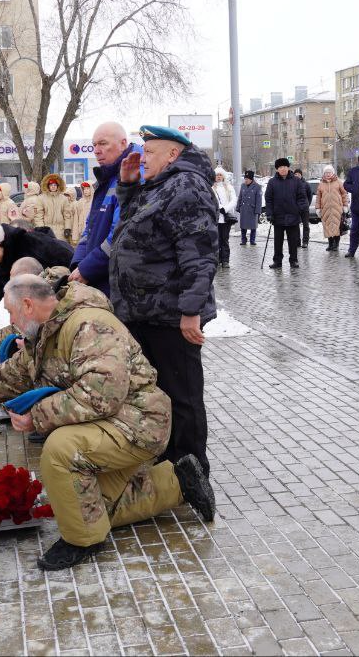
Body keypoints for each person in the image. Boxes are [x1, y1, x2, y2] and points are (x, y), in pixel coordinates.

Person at [0, 275, 216, 570]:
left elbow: (101, 393)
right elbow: (9, 377)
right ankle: (179, 482)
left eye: (11, 313)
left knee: (61, 449)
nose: (12, 321)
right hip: (116, 421)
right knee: (90, 508)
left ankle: (82, 541)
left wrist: (36, 417)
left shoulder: (90, 326)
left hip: (140, 422)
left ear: (27, 304)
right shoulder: (49, 330)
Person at [110, 125, 218, 475]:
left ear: (173, 154)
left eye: (150, 152)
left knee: (181, 395)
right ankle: (169, 462)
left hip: (170, 315)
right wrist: (127, 186)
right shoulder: (160, 184)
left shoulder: (187, 186)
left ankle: (191, 471)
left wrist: (190, 312)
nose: (143, 159)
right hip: (146, 312)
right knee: (161, 393)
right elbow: (135, 230)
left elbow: (200, 255)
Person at [69, 122, 138, 295]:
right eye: (94, 145)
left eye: (103, 143)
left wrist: (88, 269)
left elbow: (119, 234)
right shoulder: (106, 178)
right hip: (99, 277)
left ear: (123, 143)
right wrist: (79, 263)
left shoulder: (134, 176)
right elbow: (90, 228)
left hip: (118, 283)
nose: (96, 150)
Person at [265, 157, 307, 269]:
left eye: (284, 167)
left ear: (288, 168)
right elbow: (268, 199)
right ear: (277, 169)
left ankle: (294, 260)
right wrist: (269, 213)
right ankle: (277, 261)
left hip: (293, 216)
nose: (283, 169)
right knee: (277, 242)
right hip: (277, 217)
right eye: (280, 167)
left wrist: (298, 209)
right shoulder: (272, 182)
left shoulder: (296, 181)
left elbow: (302, 198)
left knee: (293, 241)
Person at [30, 174, 76, 244]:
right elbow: (39, 215)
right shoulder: (41, 198)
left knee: (61, 249)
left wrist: (67, 228)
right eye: (51, 185)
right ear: (48, 186)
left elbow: (67, 215)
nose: (53, 187)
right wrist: (41, 229)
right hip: (47, 230)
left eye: (55, 185)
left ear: (58, 186)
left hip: (61, 230)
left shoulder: (64, 199)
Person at [317, 165, 346, 252]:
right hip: (325, 209)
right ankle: (330, 244)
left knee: (337, 227)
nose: (327, 174)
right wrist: (318, 208)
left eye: (329, 172)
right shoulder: (321, 184)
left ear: (332, 173)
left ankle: (336, 245)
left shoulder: (338, 182)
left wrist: (345, 206)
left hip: (337, 208)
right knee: (327, 227)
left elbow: (344, 194)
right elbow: (318, 197)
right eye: (326, 173)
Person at [212, 167, 237, 267]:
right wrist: (219, 208)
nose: (218, 177)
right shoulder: (211, 187)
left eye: (220, 175)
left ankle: (225, 260)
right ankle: (217, 259)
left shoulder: (229, 187)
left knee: (225, 240)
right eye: (217, 175)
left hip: (226, 218)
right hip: (215, 218)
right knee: (216, 240)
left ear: (223, 176)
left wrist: (225, 209)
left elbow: (234, 200)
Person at [236, 171, 262, 245]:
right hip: (244, 209)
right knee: (243, 226)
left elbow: (259, 200)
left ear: (251, 179)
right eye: (245, 179)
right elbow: (240, 197)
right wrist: (238, 207)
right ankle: (243, 240)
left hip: (252, 209)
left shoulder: (257, 186)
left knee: (253, 227)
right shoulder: (243, 185)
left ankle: (252, 240)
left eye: (247, 179)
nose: (246, 180)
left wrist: (258, 211)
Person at [69, 181, 93, 247]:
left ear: (91, 189)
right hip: (81, 232)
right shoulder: (80, 202)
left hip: (92, 232)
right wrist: (75, 236)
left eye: (88, 188)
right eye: (84, 189)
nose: (85, 191)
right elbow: (76, 219)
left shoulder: (95, 201)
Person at [294, 170, 312, 247]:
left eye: (298, 174)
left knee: (306, 225)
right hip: (295, 208)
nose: (296, 175)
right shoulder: (292, 184)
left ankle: (305, 242)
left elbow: (309, 196)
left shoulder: (306, 184)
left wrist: (307, 204)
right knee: (295, 225)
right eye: (295, 174)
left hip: (304, 208)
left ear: (301, 175)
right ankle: (297, 241)